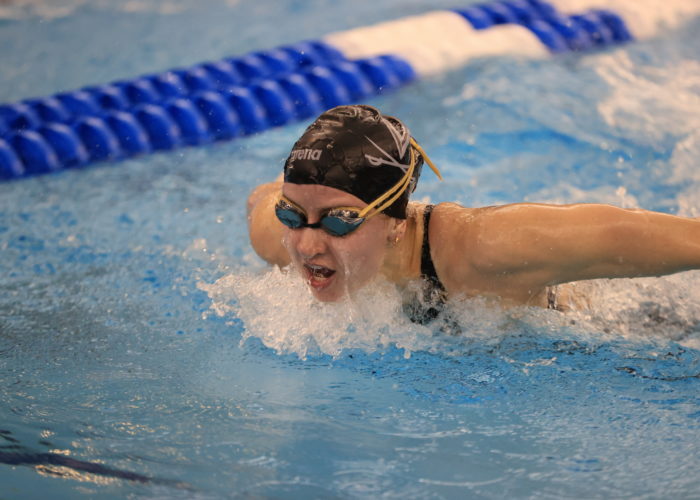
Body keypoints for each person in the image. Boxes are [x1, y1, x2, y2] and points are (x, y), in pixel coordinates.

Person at [247, 104, 700, 322]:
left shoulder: (487, 248)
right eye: (292, 216)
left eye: (339, 221)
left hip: (625, 328)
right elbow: (260, 199)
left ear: (396, 224)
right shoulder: (279, 237)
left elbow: (621, 236)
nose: (306, 245)